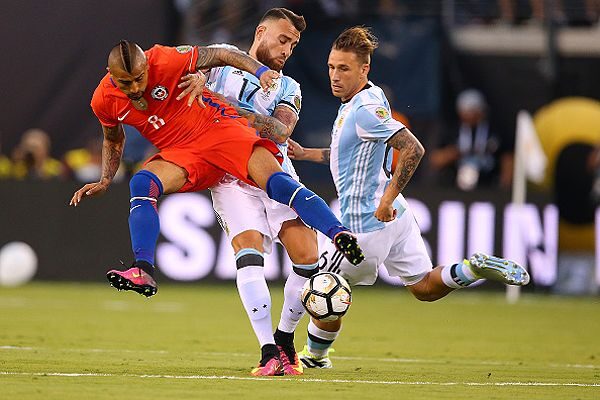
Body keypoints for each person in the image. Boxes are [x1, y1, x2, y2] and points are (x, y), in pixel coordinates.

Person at [286, 26, 530, 369]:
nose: (334, 76)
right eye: (331, 67)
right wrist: (307, 153)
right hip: (396, 217)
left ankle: (313, 357)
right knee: (425, 287)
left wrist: (386, 199)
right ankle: (473, 268)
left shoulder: (363, 110)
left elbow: (413, 148)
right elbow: (350, 154)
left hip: (364, 226)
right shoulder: (369, 99)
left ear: (364, 69)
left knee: (321, 288)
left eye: (344, 68)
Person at [69, 41, 364, 305]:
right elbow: (113, 138)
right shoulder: (103, 99)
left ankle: (338, 233)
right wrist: (106, 178)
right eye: (125, 82)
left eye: (139, 79)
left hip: (220, 129)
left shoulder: (166, 59)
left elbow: (222, 54)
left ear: (147, 64)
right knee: (142, 183)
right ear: (110, 73)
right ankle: (143, 270)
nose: (134, 88)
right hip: (182, 152)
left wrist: (260, 71)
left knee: (277, 184)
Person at [179, 7, 318, 377]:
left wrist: (225, 107)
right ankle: (268, 351)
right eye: (283, 39)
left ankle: (286, 337)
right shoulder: (223, 58)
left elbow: (281, 130)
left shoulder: (290, 87)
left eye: (293, 44)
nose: (288, 49)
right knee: (249, 250)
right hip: (229, 177)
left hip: (275, 172)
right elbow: (186, 68)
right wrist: (194, 78)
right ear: (261, 32)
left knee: (308, 256)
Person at [429, 89, 513, 191]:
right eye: (466, 111)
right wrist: (455, 152)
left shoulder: (494, 131)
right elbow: (435, 160)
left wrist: (504, 185)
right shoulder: (453, 131)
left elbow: (507, 158)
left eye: (472, 110)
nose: (469, 115)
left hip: (489, 185)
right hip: (455, 187)